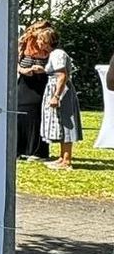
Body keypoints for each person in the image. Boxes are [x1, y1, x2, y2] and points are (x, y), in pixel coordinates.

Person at [36, 24, 82, 170]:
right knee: (60, 122)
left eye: (40, 39)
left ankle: (67, 161)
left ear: (47, 41)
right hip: (57, 88)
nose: (38, 42)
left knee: (66, 123)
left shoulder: (57, 54)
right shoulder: (53, 54)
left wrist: (56, 95)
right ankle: (62, 157)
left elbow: (62, 75)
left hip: (62, 92)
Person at [15, 21, 50, 161]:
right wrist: (23, 70)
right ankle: (18, 148)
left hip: (40, 82)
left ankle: (37, 151)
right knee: (20, 110)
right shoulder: (23, 43)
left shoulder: (47, 44)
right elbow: (14, 61)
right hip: (25, 81)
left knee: (36, 112)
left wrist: (42, 70)